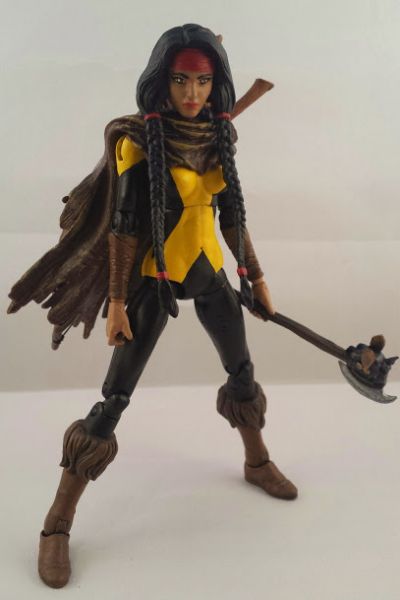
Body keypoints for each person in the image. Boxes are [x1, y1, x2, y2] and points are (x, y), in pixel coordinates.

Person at [8, 24, 297, 589]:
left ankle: (256, 461)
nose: (192, 93)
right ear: (162, 82)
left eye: (203, 82)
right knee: (114, 400)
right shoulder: (139, 142)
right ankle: (57, 522)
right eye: (181, 80)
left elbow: (231, 216)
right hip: (152, 279)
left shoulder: (219, 136)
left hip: (208, 274)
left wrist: (255, 275)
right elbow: (123, 228)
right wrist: (117, 301)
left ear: (216, 85)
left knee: (241, 371)